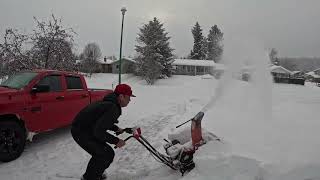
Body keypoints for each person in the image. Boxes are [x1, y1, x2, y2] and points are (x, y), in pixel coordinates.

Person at [71, 84, 136, 180]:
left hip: (85, 129)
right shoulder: (113, 107)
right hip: (81, 132)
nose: (130, 100)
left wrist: (116, 129)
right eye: (129, 97)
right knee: (104, 154)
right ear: (121, 97)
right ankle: (89, 177)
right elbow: (99, 131)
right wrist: (116, 141)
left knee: (106, 153)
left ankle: (97, 173)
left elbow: (102, 121)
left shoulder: (110, 103)